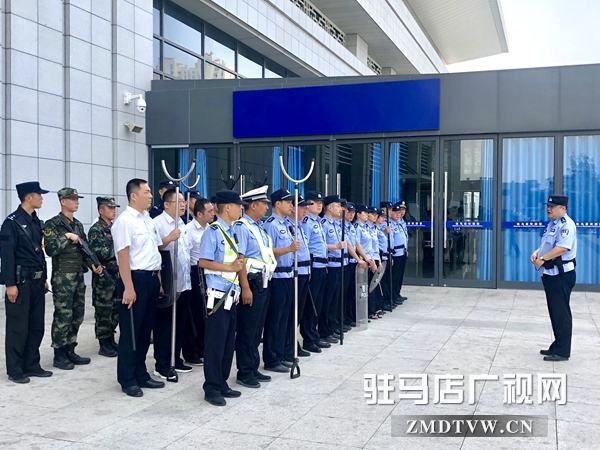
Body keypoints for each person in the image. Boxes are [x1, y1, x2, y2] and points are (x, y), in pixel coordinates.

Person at [112, 178, 165, 397]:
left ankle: (141, 373)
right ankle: (127, 379)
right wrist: (128, 287)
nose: (151, 196)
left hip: (151, 279)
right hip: (135, 279)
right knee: (131, 332)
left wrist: (158, 281)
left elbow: (154, 252)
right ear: (133, 196)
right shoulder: (125, 221)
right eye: (147, 192)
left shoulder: (147, 220)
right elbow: (123, 256)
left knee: (145, 331)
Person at [44, 188, 103, 370]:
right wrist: (66, 237)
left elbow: (83, 249)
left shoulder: (77, 224)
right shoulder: (53, 224)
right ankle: (59, 353)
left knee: (77, 315)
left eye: (77, 199)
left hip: (78, 276)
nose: (77, 202)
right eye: (73, 199)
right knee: (63, 315)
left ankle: (70, 348)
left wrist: (92, 264)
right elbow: (50, 249)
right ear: (63, 201)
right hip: (63, 278)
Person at [1, 182, 52, 383]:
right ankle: (15, 369)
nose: (42, 198)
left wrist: (44, 278)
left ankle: (32, 364)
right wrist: (10, 284)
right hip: (20, 282)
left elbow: (39, 253)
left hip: (37, 282)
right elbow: (7, 257)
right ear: (28, 197)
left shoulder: (36, 222)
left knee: (36, 326)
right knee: (18, 327)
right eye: (39, 195)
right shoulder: (11, 223)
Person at [198, 190, 245, 406]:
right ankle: (212, 387)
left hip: (230, 293)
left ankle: (222, 382)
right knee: (215, 343)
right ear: (228, 207)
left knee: (227, 342)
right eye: (238, 205)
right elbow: (203, 261)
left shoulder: (232, 230)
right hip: (217, 295)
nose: (241, 208)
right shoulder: (213, 231)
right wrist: (230, 268)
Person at [234, 186, 277, 388]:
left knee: (256, 329)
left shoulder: (259, 227)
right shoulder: (242, 227)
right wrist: (245, 287)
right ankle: (244, 371)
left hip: (264, 281)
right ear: (253, 205)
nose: (267, 207)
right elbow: (240, 259)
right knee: (247, 330)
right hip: (251, 282)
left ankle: (253, 366)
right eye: (263, 204)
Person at [530, 194, 577, 362]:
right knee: (555, 311)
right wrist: (537, 252)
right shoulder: (553, 224)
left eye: (553, 206)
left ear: (563, 209)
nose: (549, 209)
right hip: (551, 274)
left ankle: (562, 351)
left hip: (561, 275)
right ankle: (557, 345)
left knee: (561, 313)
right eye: (548, 206)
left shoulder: (566, 225)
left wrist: (542, 259)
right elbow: (548, 245)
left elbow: (562, 248)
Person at [153, 188, 193, 381]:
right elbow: (154, 247)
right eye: (179, 201)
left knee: (180, 323)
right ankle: (162, 364)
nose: (183, 204)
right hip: (168, 281)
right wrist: (169, 238)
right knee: (164, 325)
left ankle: (175, 358)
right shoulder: (158, 223)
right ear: (167, 204)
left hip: (183, 281)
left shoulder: (182, 223)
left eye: (184, 201)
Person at [262, 188, 300, 373]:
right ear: (277, 204)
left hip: (288, 275)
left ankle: (281, 353)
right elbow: (267, 250)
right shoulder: (271, 224)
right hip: (277, 276)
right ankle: (271, 358)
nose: (291, 205)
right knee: (275, 319)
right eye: (288, 202)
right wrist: (288, 249)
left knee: (285, 318)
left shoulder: (286, 224)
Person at [182, 197, 214, 367]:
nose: (213, 213)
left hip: (209, 272)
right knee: (194, 313)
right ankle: (191, 351)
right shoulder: (188, 230)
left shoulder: (211, 229)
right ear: (199, 214)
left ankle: (202, 347)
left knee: (206, 312)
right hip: (195, 272)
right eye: (209, 211)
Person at [88, 197, 121, 358]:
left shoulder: (114, 227)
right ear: (101, 210)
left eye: (114, 208)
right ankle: (103, 342)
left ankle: (110, 339)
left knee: (115, 309)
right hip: (104, 277)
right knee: (103, 310)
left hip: (116, 274)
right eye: (110, 208)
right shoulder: (96, 230)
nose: (113, 210)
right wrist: (119, 249)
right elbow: (100, 252)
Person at [300, 191, 330, 353]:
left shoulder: (318, 221)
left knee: (317, 304)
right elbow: (305, 247)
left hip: (321, 266)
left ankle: (314, 335)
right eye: (315, 202)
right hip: (312, 267)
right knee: (310, 306)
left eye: (320, 203)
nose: (319, 205)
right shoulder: (306, 222)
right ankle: (309, 338)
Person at [284, 194, 313, 362]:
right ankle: (288, 347)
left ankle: (292, 344)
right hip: (292, 272)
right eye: (302, 207)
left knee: (298, 312)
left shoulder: (299, 226)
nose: (305, 210)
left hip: (304, 271)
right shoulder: (287, 225)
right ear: (293, 209)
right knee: (291, 314)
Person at [391, 201, 408, 305]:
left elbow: (404, 236)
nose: (401, 212)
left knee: (400, 276)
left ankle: (397, 293)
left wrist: (406, 248)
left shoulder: (401, 222)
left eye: (403, 210)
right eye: (399, 210)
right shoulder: (391, 223)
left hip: (402, 251)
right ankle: (393, 295)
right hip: (395, 252)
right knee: (394, 276)